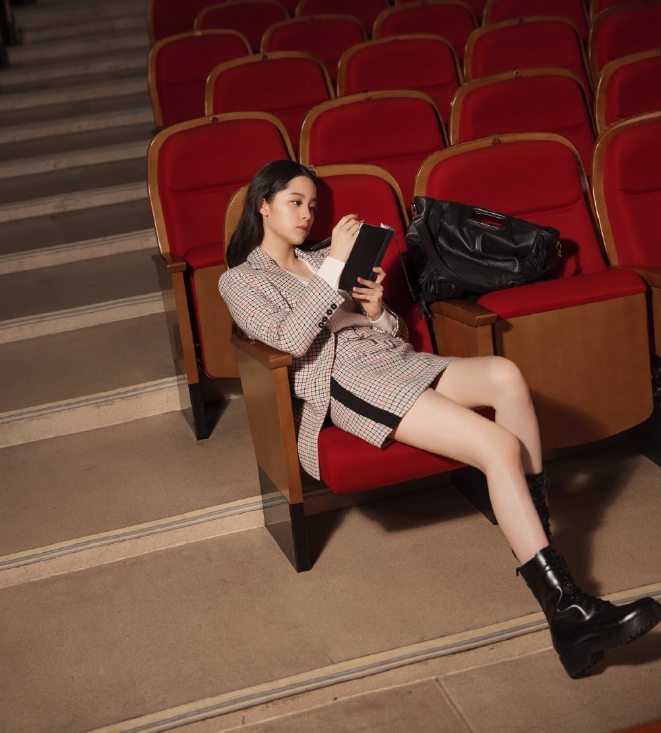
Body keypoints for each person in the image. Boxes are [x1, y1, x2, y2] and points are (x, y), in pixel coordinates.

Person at [219, 159, 661, 678]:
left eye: (312, 205)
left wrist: (378, 311)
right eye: (295, 202)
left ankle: (539, 543)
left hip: (392, 359)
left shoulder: (321, 258)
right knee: (498, 445)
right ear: (262, 205)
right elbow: (291, 341)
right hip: (347, 380)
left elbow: (395, 336)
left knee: (505, 375)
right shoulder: (240, 280)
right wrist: (335, 267)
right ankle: (567, 609)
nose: (307, 215)